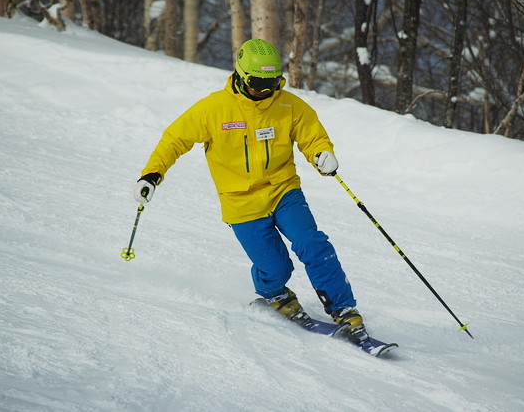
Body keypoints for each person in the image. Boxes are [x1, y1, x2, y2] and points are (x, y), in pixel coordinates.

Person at [133, 39, 368, 340]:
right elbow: (174, 140)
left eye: (272, 83)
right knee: (275, 267)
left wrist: (322, 153)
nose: (264, 90)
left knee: (313, 244)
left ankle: (344, 309)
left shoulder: (288, 105)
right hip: (240, 201)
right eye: (257, 83)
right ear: (241, 76)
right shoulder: (213, 109)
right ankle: (274, 294)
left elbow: (312, 135)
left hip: (283, 191)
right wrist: (152, 175)